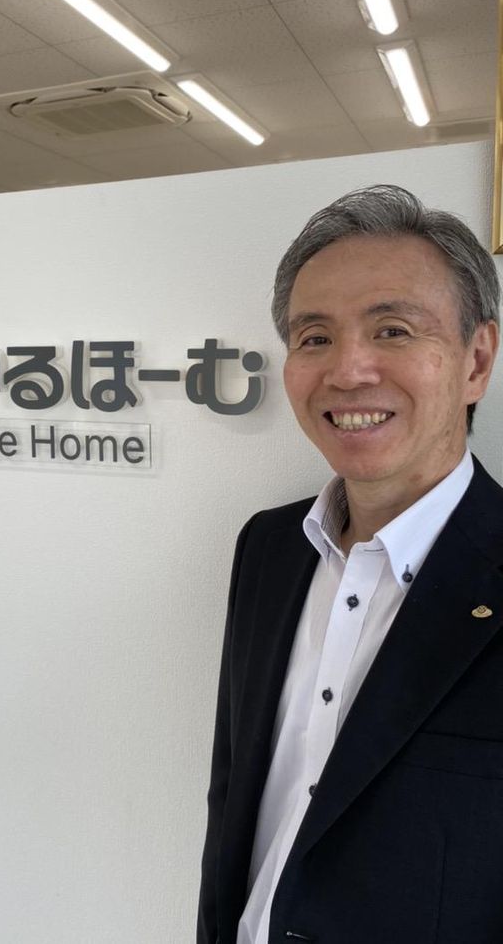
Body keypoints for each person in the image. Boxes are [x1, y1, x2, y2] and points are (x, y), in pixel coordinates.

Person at [197, 184, 503, 944]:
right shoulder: (268, 547)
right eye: (314, 338)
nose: (348, 370)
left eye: (393, 330)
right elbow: (234, 798)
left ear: (476, 360)